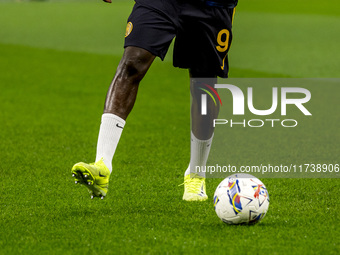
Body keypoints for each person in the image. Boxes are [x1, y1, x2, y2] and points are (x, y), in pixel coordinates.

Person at [71, 0, 238, 200]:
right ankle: (102, 166)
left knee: (204, 85)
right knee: (132, 63)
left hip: (211, 5)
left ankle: (196, 174)